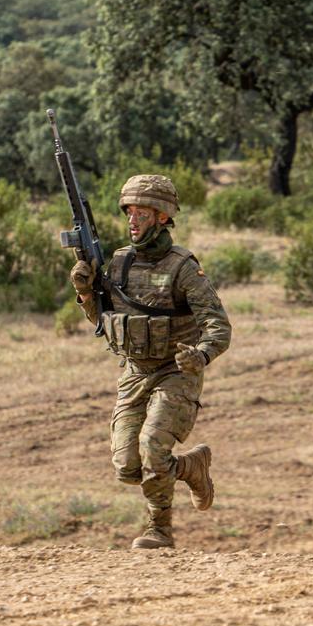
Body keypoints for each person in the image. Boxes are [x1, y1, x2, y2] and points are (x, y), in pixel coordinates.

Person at [69, 174, 231, 549]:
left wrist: (201, 355)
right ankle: (191, 468)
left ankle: (159, 529)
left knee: (152, 446)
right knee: (127, 466)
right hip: (135, 372)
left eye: (142, 213)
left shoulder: (183, 267)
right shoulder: (120, 263)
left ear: (161, 217)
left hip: (176, 371)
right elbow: (105, 323)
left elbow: (219, 326)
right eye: (129, 212)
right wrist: (84, 292)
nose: (132, 220)